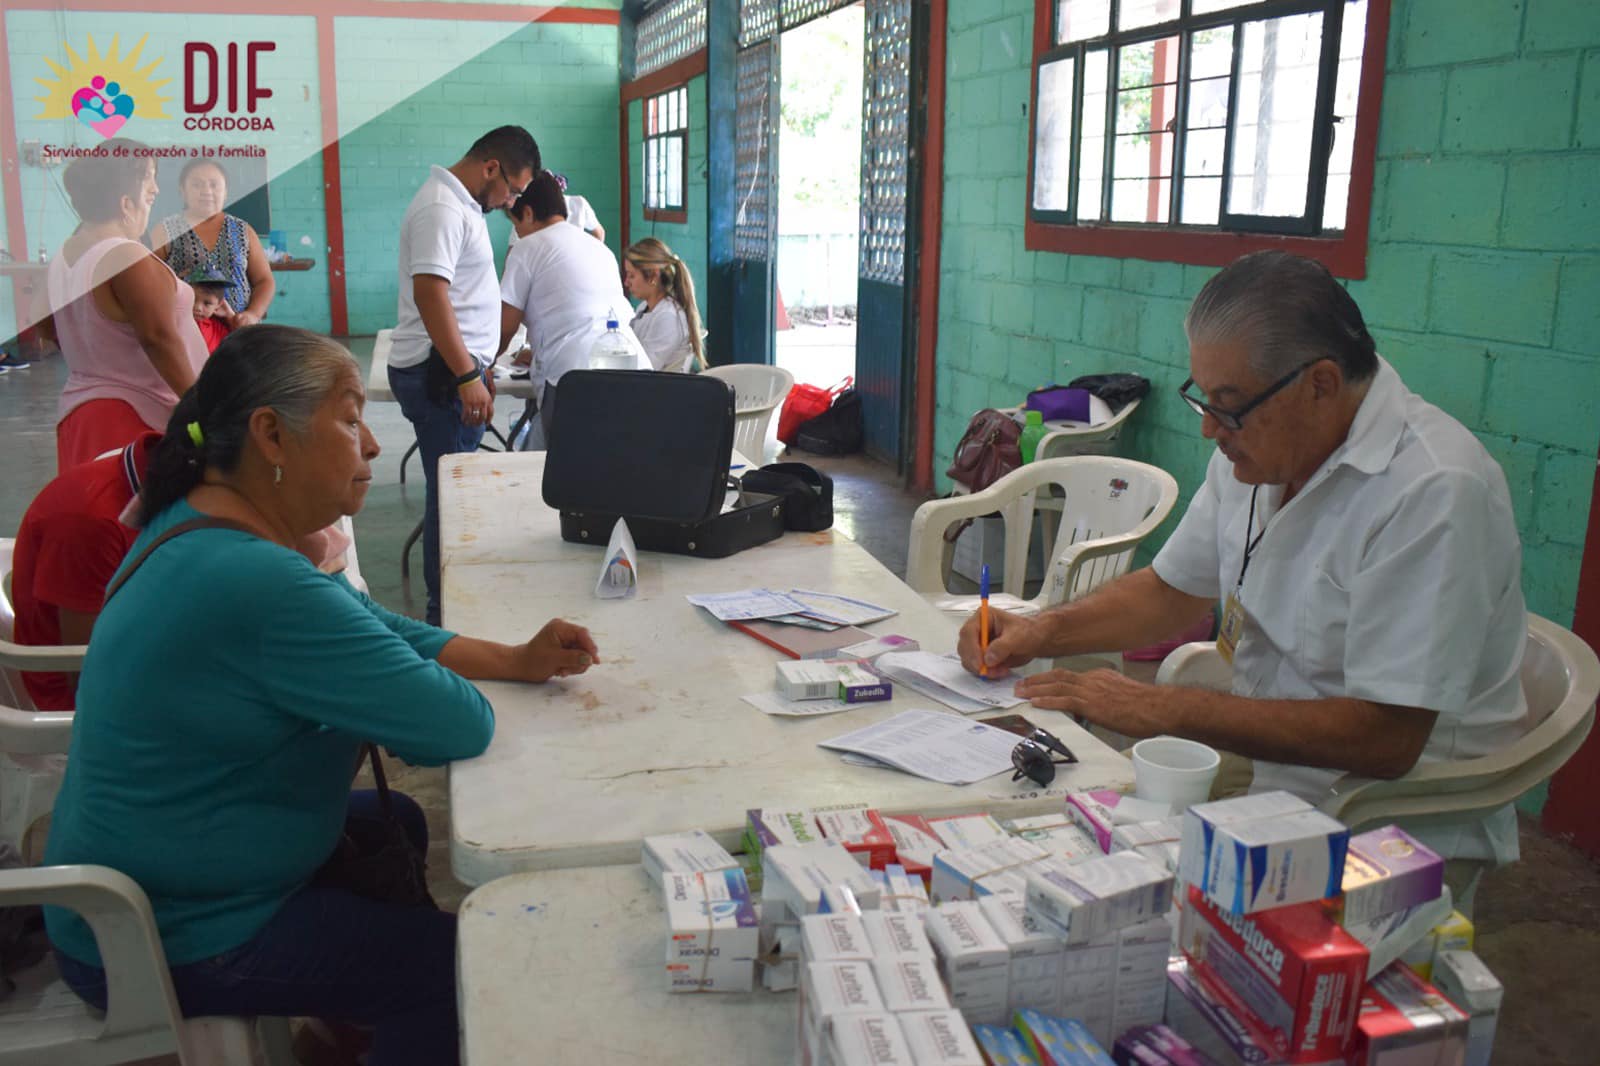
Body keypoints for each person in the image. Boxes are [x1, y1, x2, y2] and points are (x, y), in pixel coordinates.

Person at [43, 325, 599, 1066]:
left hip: (141, 879)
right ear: (272, 436)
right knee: (452, 965)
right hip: (164, 931)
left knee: (394, 819)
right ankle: (386, 1019)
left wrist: (515, 658)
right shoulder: (255, 580)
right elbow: (453, 724)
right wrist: (365, 676)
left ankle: (345, 1027)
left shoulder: (191, 519)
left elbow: (375, 627)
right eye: (348, 417)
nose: (371, 444)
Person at [958, 251, 1528, 864]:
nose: (1210, 430)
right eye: (1203, 400)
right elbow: (1171, 590)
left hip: (1386, 817)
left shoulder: (1433, 491)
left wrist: (1164, 707)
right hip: (1271, 765)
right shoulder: (1259, 449)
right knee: (1041, 831)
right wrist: (1042, 628)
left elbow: (1386, 738)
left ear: (1321, 384)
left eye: (1228, 405)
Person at [391, 125, 540, 625]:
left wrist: (478, 366)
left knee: (452, 489)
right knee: (451, 496)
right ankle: (446, 613)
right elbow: (431, 294)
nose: (510, 202)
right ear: (491, 167)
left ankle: (449, 606)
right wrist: (463, 375)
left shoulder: (460, 207)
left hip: (455, 368)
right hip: (438, 374)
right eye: (513, 190)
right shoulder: (442, 207)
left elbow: (459, 297)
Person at [46, 138, 210, 473]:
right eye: (149, 178)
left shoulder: (65, 255)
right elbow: (158, 338)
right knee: (138, 522)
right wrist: (202, 411)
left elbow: (48, 327)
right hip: (132, 417)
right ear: (125, 201)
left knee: (96, 520)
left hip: (84, 412)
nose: (155, 189)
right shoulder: (125, 255)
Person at [11, 433, 159, 711]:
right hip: (79, 704)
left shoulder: (149, 477)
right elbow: (85, 673)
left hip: (130, 658)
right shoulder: (93, 518)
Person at [499, 172, 646, 439]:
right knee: (622, 463)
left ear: (529, 213)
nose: (517, 233)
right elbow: (583, 316)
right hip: (633, 370)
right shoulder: (601, 249)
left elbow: (505, 326)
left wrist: (480, 370)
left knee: (571, 469)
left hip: (573, 380)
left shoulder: (526, 248)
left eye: (516, 224)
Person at [150, 159, 276, 327]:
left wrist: (252, 314)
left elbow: (264, 280)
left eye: (214, 185)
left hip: (238, 332)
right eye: (197, 185)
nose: (206, 191)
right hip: (186, 330)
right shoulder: (165, 230)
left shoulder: (243, 230)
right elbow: (151, 282)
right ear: (182, 190)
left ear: (226, 192)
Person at [623, 237, 706, 373]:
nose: (626, 282)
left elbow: (644, 370)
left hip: (658, 390)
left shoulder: (667, 317)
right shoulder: (645, 307)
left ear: (653, 276)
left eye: (631, 276)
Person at [189, 271, 234, 353]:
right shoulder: (176, 321)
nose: (197, 307)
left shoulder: (219, 329)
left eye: (207, 303)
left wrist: (230, 316)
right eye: (192, 298)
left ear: (219, 305)